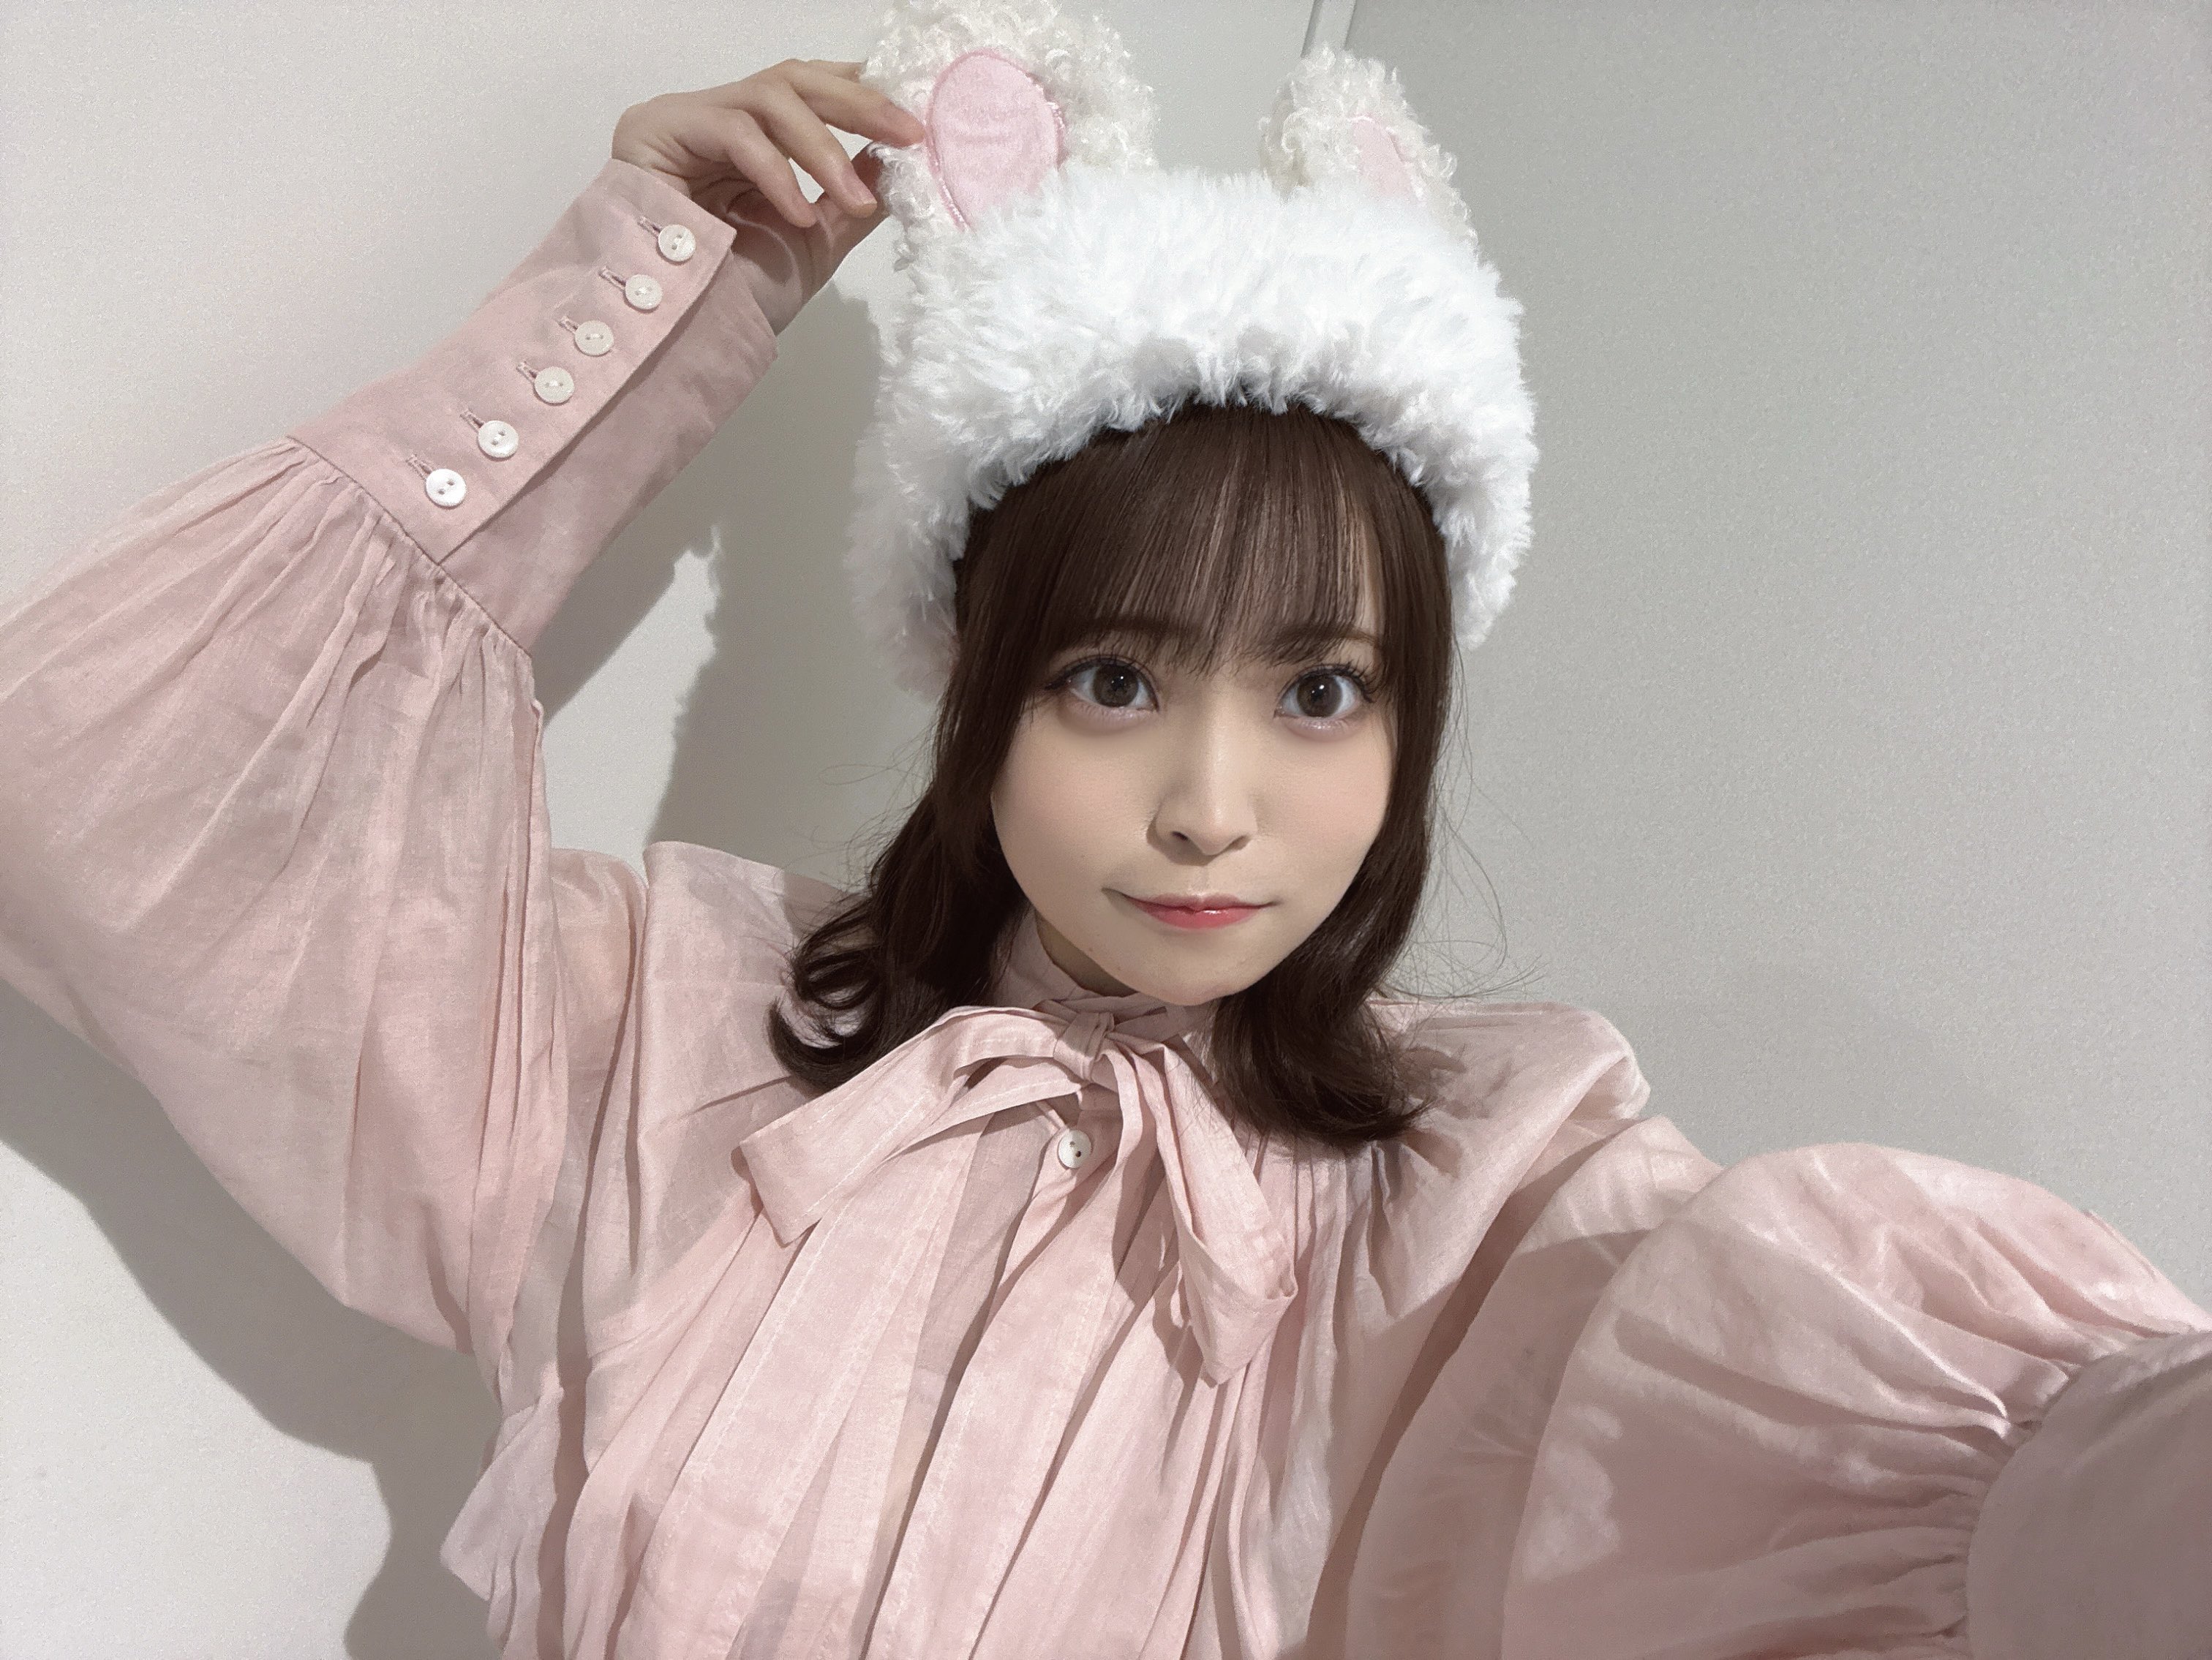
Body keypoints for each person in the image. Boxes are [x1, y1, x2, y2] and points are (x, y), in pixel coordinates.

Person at [0, 8, 2206, 1658]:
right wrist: (654, 307)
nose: (1213, 808)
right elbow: (125, 789)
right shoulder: (650, 1037)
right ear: (979, 682)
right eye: (1116, 681)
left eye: (1320, 692)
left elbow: (1961, 1483)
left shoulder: (1489, 1216)